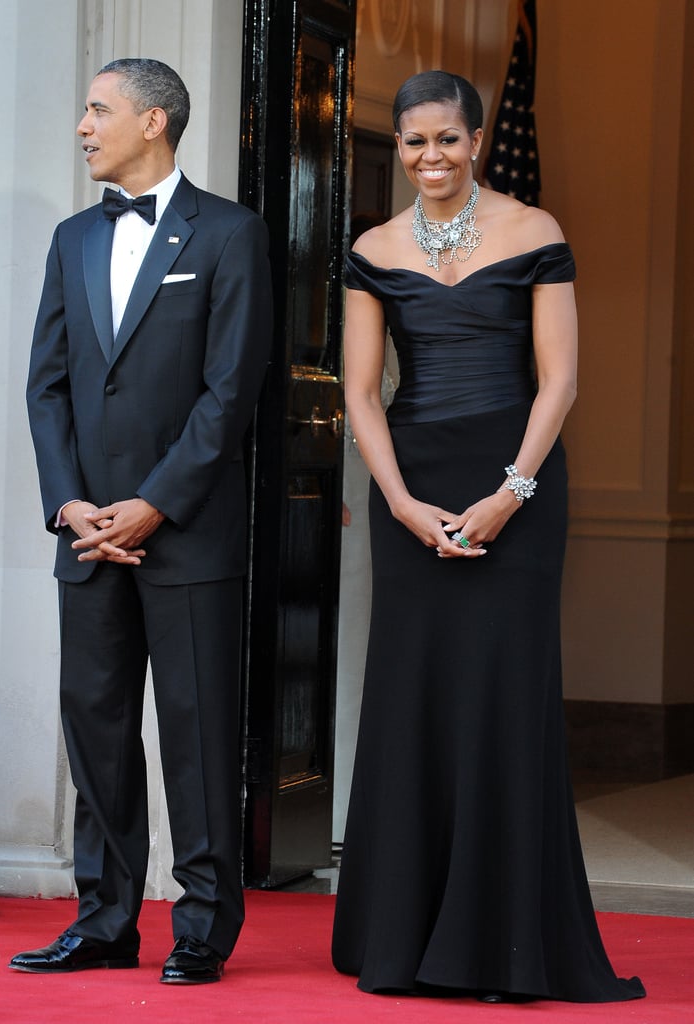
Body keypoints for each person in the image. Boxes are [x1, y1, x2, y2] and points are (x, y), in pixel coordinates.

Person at [331, 70, 645, 1004]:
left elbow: (560, 382)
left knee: (503, 697)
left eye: (447, 140)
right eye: (414, 142)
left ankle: (504, 942)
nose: (430, 157)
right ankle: (401, 935)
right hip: (413, 488)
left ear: (474, 141)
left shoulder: (535, 232)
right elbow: (357, 390)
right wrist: (396, 500)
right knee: (413, 695)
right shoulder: (373, 245)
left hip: (519, 482)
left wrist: (512, 491)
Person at [10, 58, 272, 984]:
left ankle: (201, 926)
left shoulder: (231, 234)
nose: (83, 124)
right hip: (87, 537)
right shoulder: (72, 237)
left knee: (197, 734)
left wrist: (154, 503)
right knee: (97, 728)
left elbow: (230, 391)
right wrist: (70, 502)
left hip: (186, 531)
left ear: (154, 122)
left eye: (99, 109)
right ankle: (106, 919)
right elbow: (47, 387)